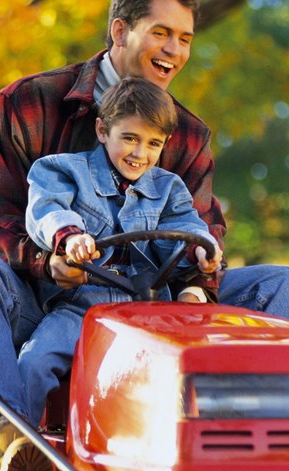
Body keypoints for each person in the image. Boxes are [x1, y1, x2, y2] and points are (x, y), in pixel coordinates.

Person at [0, 0, 289, 471]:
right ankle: (14, 445)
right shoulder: (27, 104)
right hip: (49, 299)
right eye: (161, 32)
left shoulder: (185, 134)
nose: (174, 50)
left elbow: (200, 230)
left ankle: (257, 446)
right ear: (120, 30)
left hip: (151, 298)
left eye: (185, 38)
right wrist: (53, 262)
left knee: (281, 284)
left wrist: (198, 282)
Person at [21, 77, 222, 445]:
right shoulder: (63, 170)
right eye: (130, 138)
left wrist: (201, 250)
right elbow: (46, 209)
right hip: (82, 309)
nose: (139, 153)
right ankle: (20, 453)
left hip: (147, 309)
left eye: (153, 144)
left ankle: (199, 453)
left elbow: (187, 226)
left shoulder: (168, 188)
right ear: (102, 130)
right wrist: (70, 237)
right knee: (34, 361)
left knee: (196, 367)